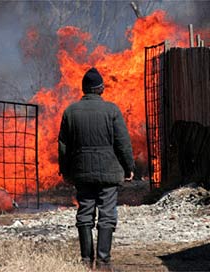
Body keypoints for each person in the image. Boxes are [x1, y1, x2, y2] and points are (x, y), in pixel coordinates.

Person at [58, 67, 134, 270]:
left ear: (83, 89)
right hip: (109, 173)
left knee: (85, 214)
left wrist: (65, 170)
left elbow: (64, 146)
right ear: (101, 89)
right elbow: (122, 143)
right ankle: (103, 262)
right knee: (107, 215)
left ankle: (85, 262)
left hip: (82, 173)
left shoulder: (70, 111)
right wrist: (129, 167)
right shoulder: (112, 110)